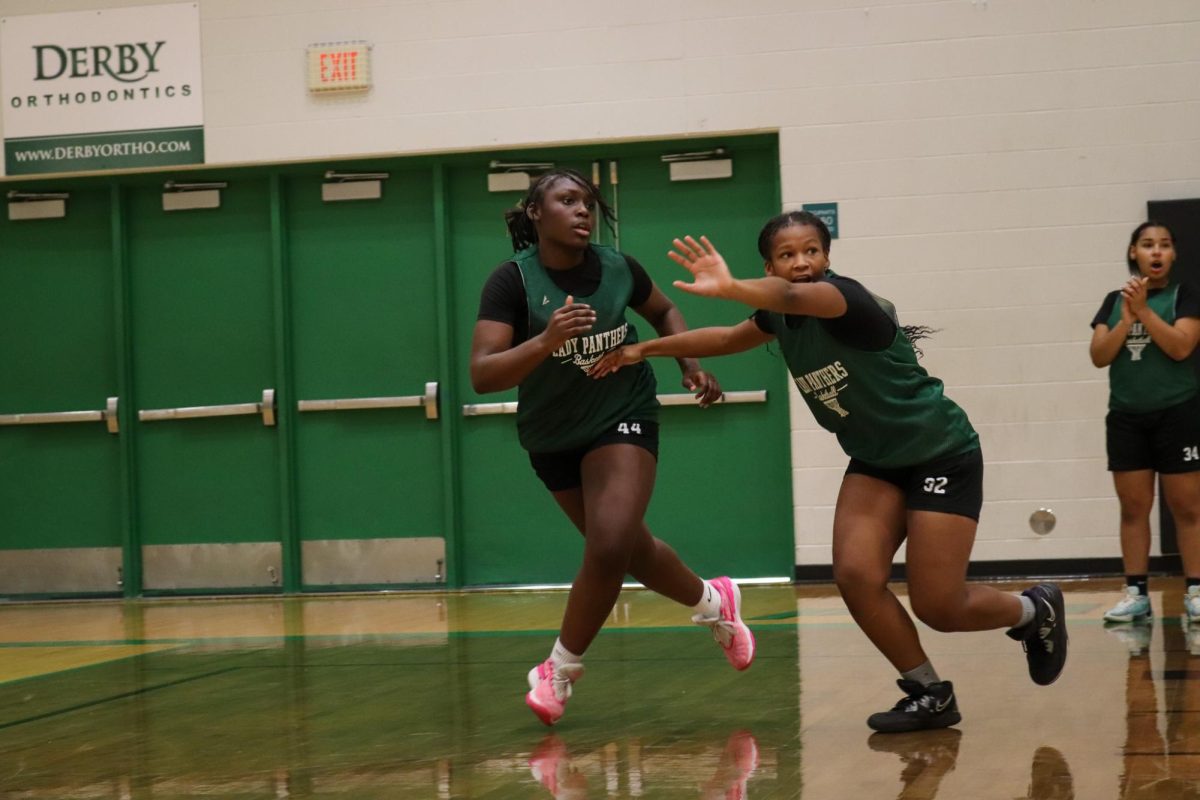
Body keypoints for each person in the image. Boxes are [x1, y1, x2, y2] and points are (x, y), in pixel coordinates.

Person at [590, 211, 1068, 733]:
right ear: (770, 263)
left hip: (940, 453)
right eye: (788, 255)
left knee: (940, 606)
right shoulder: (778, 316)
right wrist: (642, 349)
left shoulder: (843, 299)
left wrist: (730, 286)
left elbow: (794, 298)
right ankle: (929, 692)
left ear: (827, 256)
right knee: (857, 577)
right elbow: (727, 339)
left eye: (812, 251)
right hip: (876, 461)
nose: (801, 263)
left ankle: (1031, 612)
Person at [469, 168, 755, 726]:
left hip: (622, 415)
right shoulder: (511, 283)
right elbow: (483, 375)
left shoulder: (618, 267)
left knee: (607, 543)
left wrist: (688, 363)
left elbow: (664, 311)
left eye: (589, 202)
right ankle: (715, 602)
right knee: (625, 549)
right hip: (551, 435)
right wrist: (547, 340)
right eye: (567, 200)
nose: (583, 211)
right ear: (535, 211)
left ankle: (559, 669)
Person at [1089, 221, 1200, 626]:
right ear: (1133, 252)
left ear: (1173, 255)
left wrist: (1144, 313)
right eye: (1148, 245)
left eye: (1165, 245)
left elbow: (1180, 346)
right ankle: (1136, 593)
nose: (1156, 252)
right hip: (1126, 418)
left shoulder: (1185, 296)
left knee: (1188, 508)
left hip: (1178, 413)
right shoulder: (1112, 301)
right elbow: (1099, 355)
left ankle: (1196, 591)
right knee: (1133, 508)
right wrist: (1126, 317)